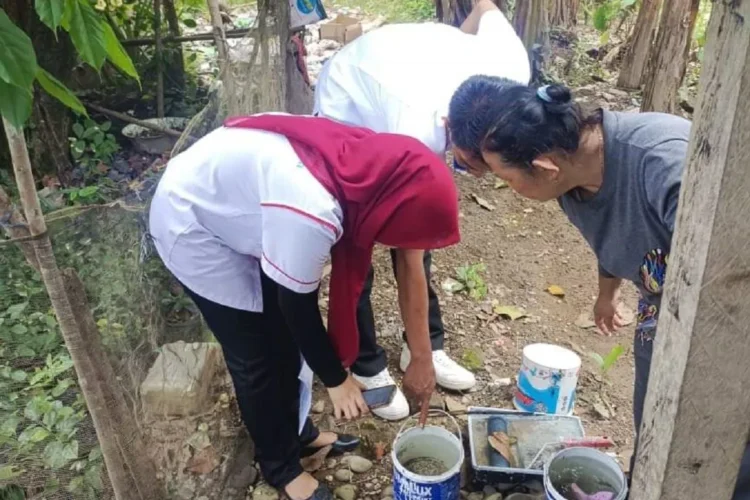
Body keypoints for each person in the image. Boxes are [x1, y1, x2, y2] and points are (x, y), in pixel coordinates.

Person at [447, 75, 750, 498]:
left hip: (730, 319)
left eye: (507, 178)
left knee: (726, 447)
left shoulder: (665, 165)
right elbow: (610, 232)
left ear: (544, 167)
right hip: (663, 309)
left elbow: (730, 277)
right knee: (657, 426)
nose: (508, 190)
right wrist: (607, 294)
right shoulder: (572, 178)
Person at [148, 114, 460, 500]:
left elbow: (293, 313)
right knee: (255, 354)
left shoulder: (367, 170)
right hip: (194, 225)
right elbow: (297, 307)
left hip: (246, 208)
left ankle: (297, 434)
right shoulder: (314, 210)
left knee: (282, 337)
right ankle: (280, 467)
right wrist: (337, 380)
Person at [313, 0, 529, 420]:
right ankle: (367, 361)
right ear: (450, 128)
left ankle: (425, 343)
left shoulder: (511, 68)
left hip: (406, 68)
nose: (481, 178)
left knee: (419, 235)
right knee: (359, 240)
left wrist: (454, 41)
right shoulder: (416, 134)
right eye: (470, 165)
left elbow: (484, 7)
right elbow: (409, 258)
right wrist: (422, 368)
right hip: (352, 100)